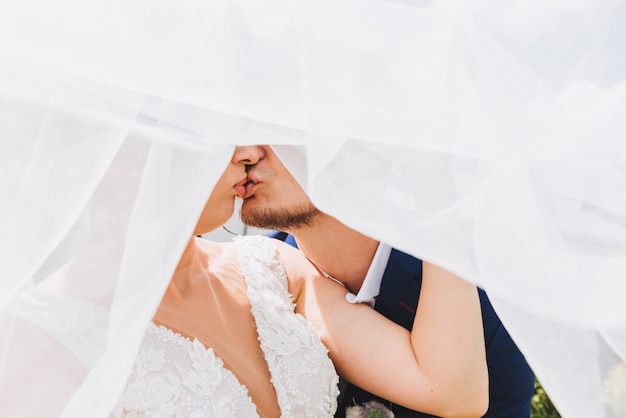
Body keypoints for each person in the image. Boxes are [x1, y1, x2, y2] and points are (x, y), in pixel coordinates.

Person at [1, 145, 489, 417]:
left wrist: (437, 190)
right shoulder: (38, 341)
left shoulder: (275, 269)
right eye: (208, 134)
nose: (247, 152)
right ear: (124, 159)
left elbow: (452, 391)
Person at [240, 145, 536, 418]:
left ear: (357, 151)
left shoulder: (484, 296)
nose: (247, 153)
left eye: (278, 129)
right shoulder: (248, 280)